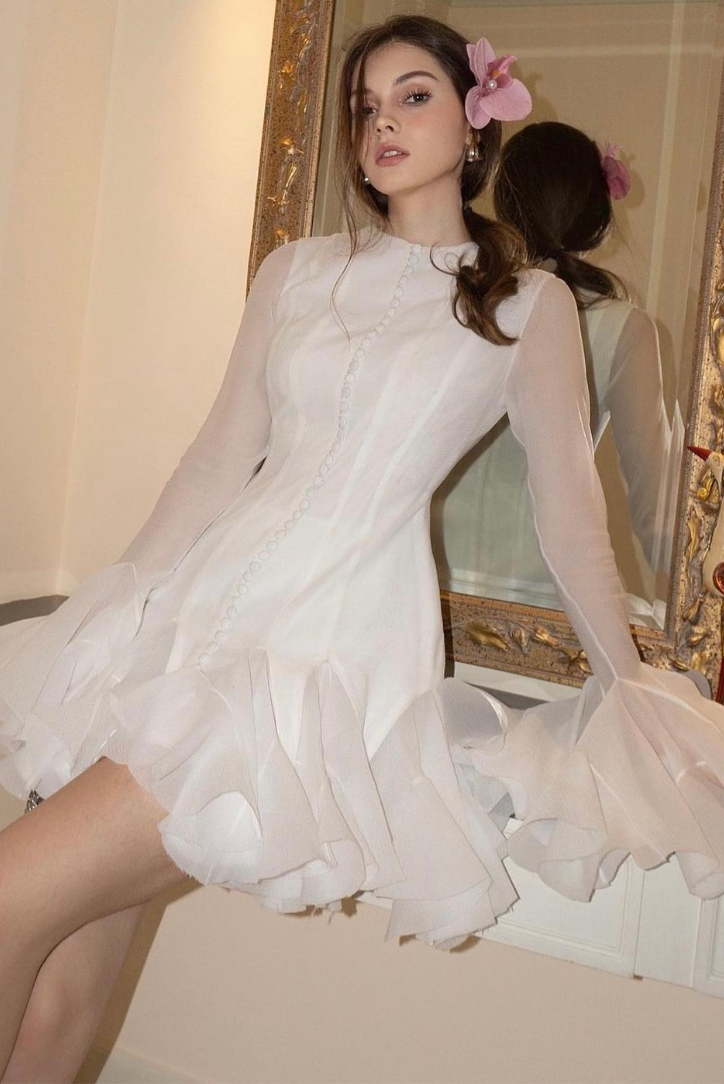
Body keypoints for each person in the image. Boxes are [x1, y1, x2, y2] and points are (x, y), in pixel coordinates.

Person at [0, 13, 722, 1080]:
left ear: (474, 124)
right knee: (63, 989)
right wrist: (108, 611)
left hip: (299, 668)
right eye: (365, 106)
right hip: (177, 635)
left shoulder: (526, 304)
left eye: (412, 95)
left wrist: (632, 686)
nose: (382, 120)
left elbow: (569, 521)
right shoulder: (295, 270)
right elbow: (215, 461)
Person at [433, 121, 681, 622]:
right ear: (596, 215)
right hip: (549, 620)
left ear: (504, 203)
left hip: (431, 600)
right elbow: (661, 521)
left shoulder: (451, 304)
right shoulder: (623, 329)